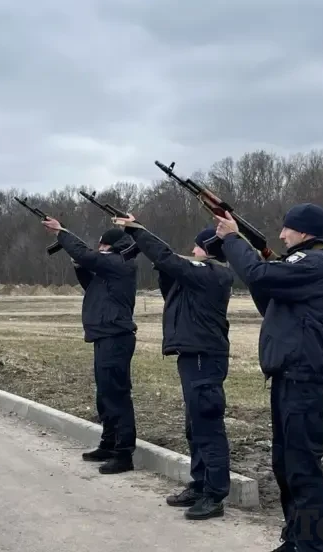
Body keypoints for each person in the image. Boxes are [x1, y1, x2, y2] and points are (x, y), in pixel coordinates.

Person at [214, 203, 323, 552]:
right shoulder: (307, 265)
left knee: (302, 467)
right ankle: (297, 537)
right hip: (289, 375)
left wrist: (233, 240)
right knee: (286, 464)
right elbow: (268, 297)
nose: (282, 235)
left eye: (288, 229)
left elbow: (259, 276)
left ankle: (313, 546)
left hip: (303, 377)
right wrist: (251, 253)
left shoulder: (317, 262)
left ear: (304, 232)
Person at [112, 214, 234, 520]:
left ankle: (215, 494)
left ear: (207, 249)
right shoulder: (198, 277)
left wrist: (138, 232)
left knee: (208, 426)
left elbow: (171, 259)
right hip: (193, 356)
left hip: (205, 356)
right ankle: (200, 483)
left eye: (195, 247)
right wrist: (160, 263)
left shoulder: (213, 273)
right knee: (194, 427)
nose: (191, 252)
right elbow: (171, 276)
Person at [41, 218, 139, 475]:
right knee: (104, 394)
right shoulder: (110, 270)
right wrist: (79, 266)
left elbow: (90, 257)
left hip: (116, 336)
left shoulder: (121, 264)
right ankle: (108, 443)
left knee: (117, 395)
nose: (100, 249)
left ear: (113, 247)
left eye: (103, 245)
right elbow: (93, 286)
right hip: (104, 335)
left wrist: (62, 233)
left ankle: (124, 453)